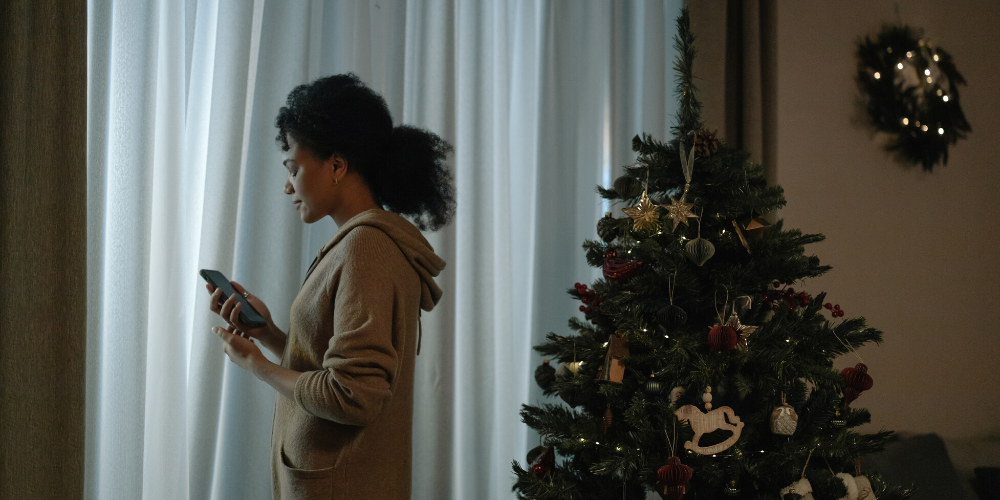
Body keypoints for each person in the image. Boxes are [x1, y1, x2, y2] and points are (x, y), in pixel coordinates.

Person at [204, 73, 454, 500]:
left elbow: (353, 395)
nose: (288, 186)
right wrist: (269, 336)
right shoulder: (357, 244)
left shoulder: (366, 250)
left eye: (294, 168)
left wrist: (255, 366)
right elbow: (332, 370)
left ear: (336, 165)